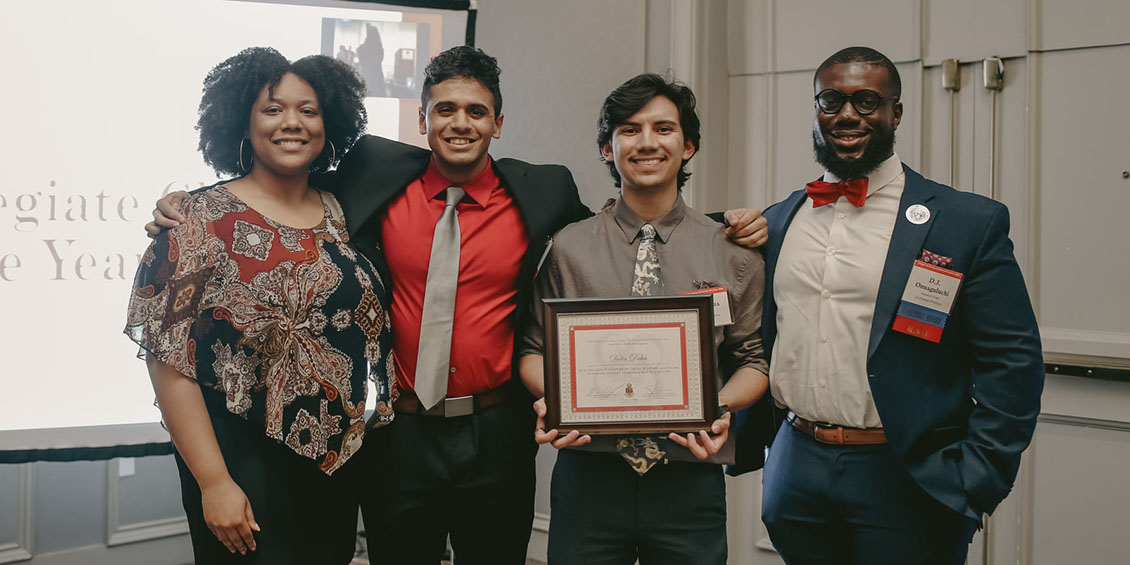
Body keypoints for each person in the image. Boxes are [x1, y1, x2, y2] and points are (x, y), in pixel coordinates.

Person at [147, 45, 767, 564]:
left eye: (477, 111)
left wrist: (719, 228)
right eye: (445, 109)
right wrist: (186, 204)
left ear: (499, 123)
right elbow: (280, 189)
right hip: (399, 432)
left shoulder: (544, 191)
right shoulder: (371, 176)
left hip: (498, 430)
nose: (460, 123)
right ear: (423, 122)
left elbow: (626, 233)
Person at [746, 46, 1044, 564]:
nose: (846, 115)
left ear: (895, 113)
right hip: (796, 466)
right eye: (831, 100)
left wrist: (974, 480)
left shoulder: (964, 222)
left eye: (866, 101)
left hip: (908, 473)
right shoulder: (778, 221)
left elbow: (1013, 362)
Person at [124, 47, 392, 565]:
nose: (292, 123)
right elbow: (168, 360)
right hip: (238, 462)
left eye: (308, 110)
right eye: (272, 110)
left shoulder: (345, 214)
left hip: (334, 465)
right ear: (243, 126)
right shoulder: (195, 221)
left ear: (328, 123)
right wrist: (214, 481)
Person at [519, 74, 769, 565]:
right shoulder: (567, 247)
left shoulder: (732, 250)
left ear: (688, 145)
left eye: (664, 128)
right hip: (588, 472)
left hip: (688, 475)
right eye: (630, 129)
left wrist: (711, 405)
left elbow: (755, 360)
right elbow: (533, 350)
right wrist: (554, 399)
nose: (648, 142)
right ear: (606, 149)